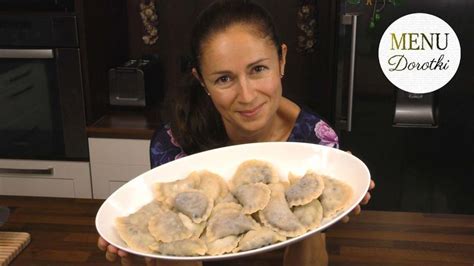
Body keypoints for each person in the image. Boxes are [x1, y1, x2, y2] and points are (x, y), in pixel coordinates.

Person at [97, 0, 375, 265]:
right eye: (224, 78)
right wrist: (138, 255)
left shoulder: (317, 143)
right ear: (202, 81)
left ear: (282, 60)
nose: (246, 95)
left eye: (258, 69)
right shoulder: (175, 143)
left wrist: (317, 215)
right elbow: (179, 252)